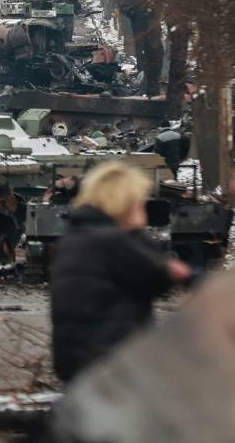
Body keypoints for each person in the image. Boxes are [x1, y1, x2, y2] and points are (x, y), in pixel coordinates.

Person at [49, 162, 191, 383]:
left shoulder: (75, 239)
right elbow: (158, 278)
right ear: (125, 202)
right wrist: (136, 232)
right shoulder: (112, 241)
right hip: (111, 363)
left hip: (78, 361)